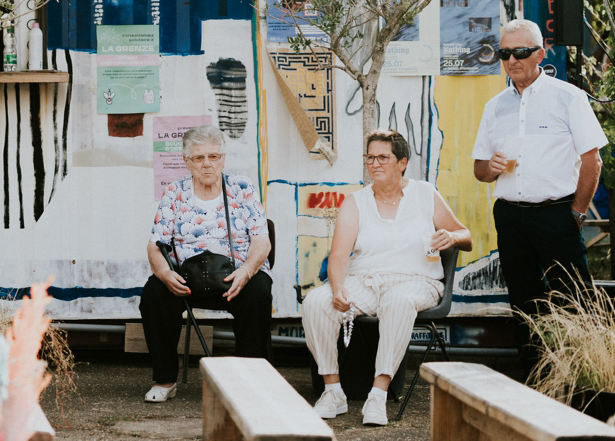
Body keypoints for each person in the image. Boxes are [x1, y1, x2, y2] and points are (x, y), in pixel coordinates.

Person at [302, 128, 471, 427]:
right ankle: (333, 391)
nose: (375, 164)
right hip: (366, 279)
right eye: (370, 158)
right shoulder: (356, 202)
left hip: (417, 280)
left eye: (383, 157)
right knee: (317, 301)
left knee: (398, 301)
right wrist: (338, 288)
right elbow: (339, 256)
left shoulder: (424, 193)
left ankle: (378, 395)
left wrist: (452, 236)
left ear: (402, 162)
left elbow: (466, 236)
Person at [471, 18, 607, 378]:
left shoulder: (568, 97)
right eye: (505, 53)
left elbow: (593, 160)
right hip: (511, 216)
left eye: (521, 52)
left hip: (557, 213)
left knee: (574, 299)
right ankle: (535, 381)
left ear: (540, 53)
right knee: (523, 302)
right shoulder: (495, 107)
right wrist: (492, 167)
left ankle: (583, 379)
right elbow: (480, 171)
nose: (512, 60)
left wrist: (576, 214)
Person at [139, 125, 273, 403]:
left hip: (237, 276)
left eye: (214, 156)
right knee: (154, 295)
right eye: (199, 158)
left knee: (258, 293)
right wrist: (165, 273)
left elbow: (262, 240)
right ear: (187, 162)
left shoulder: (242, 187)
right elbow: (155, 244)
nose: (207, 164)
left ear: (223, 158)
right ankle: (165, 380)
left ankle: (254, 380)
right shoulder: (174, 192)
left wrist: (246, 272)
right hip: (187, 279)